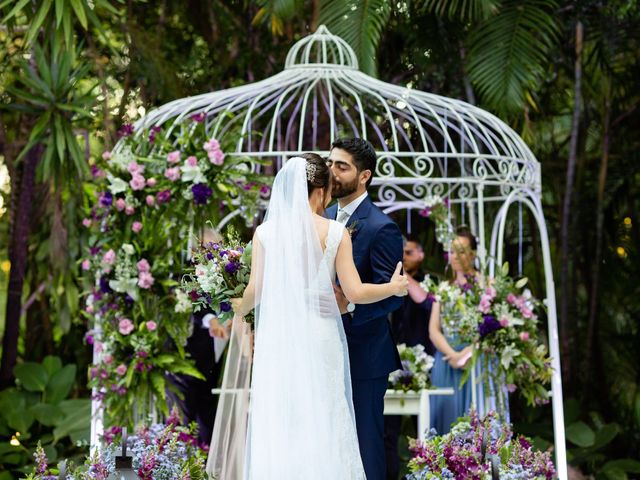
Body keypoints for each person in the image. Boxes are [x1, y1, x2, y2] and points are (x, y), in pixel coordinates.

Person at [207, 153, 408, 480]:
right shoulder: (334, 232)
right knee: (325, 417)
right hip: (320, 336)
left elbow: (252, 294)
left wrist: (222, 298)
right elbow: (356, 293)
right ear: (320, 192)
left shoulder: (265, 233)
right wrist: (394, 287)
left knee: (284, 420)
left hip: (280, 341)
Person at [326, 138, 405, 480]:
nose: (332, 172)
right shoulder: (323, 217)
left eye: (342, 166)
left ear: (364, 176)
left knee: (364, 440)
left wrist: (352, 302)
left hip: (365, 353)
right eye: (330, 163)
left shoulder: (380, 227)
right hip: (325, 346)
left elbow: (394, 295)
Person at [384, 237, 434, 479]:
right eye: (401, 251)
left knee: (424, 427)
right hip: (395, 360)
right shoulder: (391, 279)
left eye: (409, 251)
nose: (403, 256)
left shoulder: (429, 280)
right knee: (388, 430)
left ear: (421, 255)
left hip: (424, 361)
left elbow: (427, 304)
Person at [428, 229, 478, 434]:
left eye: (462, 251)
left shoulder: (486, 285)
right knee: (445, 423)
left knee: (475, 421)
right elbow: (434, 329)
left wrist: (467, 354)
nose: (456, 257)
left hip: (475, 361)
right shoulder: (444, 288)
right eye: (452, 251)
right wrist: (453, 354)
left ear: (473, 254)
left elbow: (491, 328)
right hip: (446, 360)